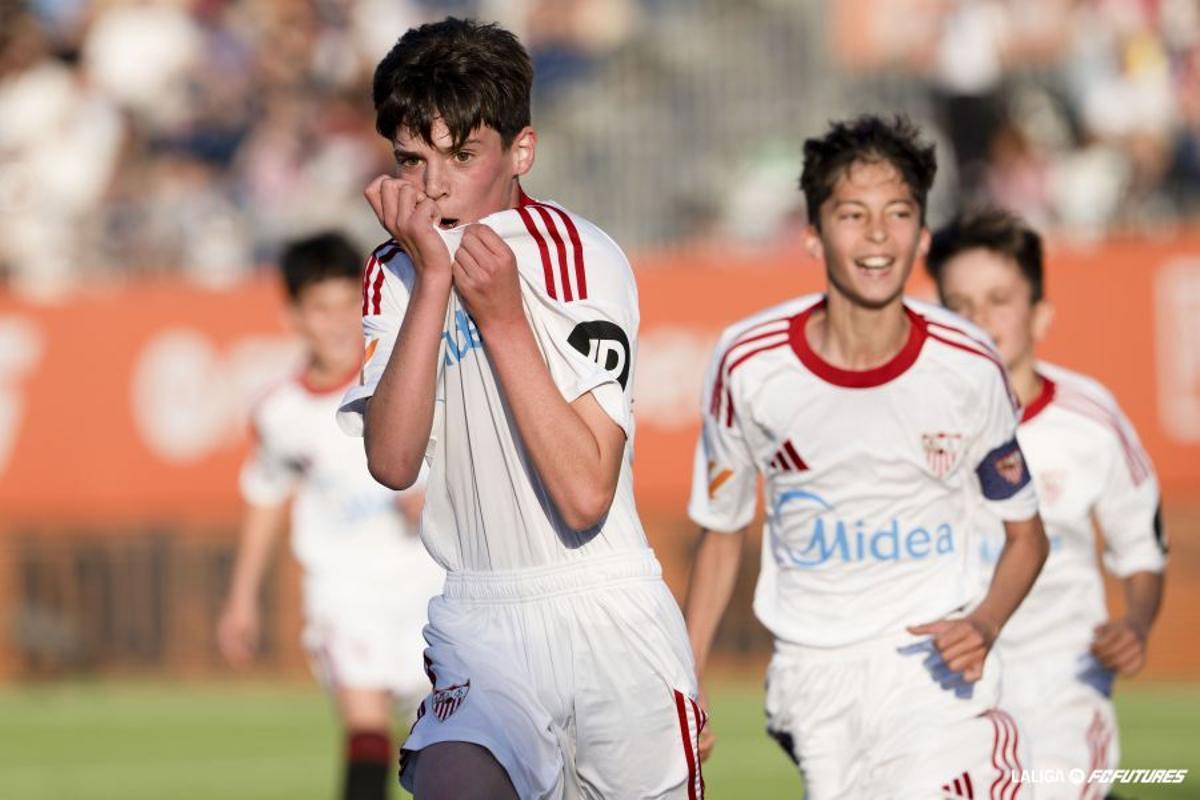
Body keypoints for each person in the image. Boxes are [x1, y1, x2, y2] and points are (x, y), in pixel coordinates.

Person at [337, 18, 702, 800]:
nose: (434, 186)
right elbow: (392, 463)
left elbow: (585, 491)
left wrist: (501, 318)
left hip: (604, 613)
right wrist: (433, 281)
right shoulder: (393, 272)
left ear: (521, 152)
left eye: (463, 156)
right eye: (412, 159)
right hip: (479, 619)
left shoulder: (577, 255)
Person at [683, 114, 1050, 799]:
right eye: (853, 214)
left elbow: (1027, 535)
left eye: (898, 213)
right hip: (810, 679)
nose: (878, 234)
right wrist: (686, 679)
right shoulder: (747, 362)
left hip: (936, 672)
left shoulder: (969, 364)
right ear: (813, 235)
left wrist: (985, 622)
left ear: (923, 236)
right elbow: (722, 533)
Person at [927, 207, 1167, 799]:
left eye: (998, 300)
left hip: (1062, 681)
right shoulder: (913, 419)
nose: (978, 319)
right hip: (944, 684)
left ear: (1039, 315)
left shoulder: (1091, 418)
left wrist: (1135, 624)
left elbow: (1143, 551)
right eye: (959, 304)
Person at [218, 231, 442, 800]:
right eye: (322, 308)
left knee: (445, 743)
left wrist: (436, 493)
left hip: (429, 584)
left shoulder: (408, 378)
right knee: (366, 730)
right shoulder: (280, 411)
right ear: (294, 316)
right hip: (344, 593)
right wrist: (242, 597)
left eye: (349, 304)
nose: (339, 322)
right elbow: (267, 495)